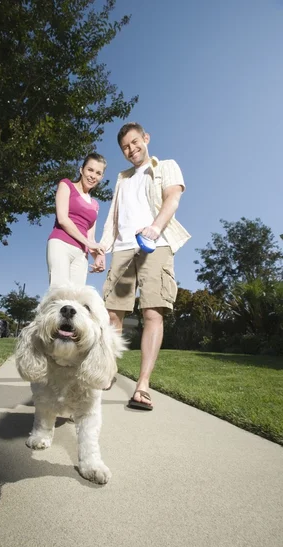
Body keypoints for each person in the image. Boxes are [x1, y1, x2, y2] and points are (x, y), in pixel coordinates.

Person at [91, 123, 191, 410]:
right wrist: (102, 250)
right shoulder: (122, 179)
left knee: (152, 312)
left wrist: (155, 228)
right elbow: (114, 218)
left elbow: (173, 197)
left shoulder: (166, 165)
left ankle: (142, 385)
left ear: (146, 139)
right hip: (122, 248)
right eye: (125, 147)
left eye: (135, 142)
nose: (132, 149)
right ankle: (107, 372)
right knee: (112, 314)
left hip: (155, 244)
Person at [47, 153, 107, 286]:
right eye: (90, 170)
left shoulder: (95, 205)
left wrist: (98, 258)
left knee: (76, 298)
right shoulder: (66, 185)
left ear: (101, 177)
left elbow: (91, 240)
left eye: (98, 173)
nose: (93, 176)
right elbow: (63, 219)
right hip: (61, 244)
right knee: (59, 293)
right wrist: (88, 243)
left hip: (81, 253)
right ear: (81, 170)